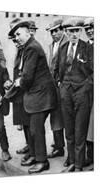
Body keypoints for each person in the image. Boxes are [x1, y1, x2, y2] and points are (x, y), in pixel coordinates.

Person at [8, 20, 57, 174]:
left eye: (19, 34)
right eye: (15, 35)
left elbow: (27, 77)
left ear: (28, 33)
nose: (17, 37)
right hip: (37, 94)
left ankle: (42, 161)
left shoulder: (32, 48)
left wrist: (18, 82)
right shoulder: (28, 47)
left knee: (36, 129)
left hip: (41, 95)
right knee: (33, 128)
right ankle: (35, 156)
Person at [54, 18, 93, 172]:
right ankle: (71, 159)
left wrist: (85, 88)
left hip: (82, 94)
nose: (74, 34)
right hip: (66, 94)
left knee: (80, 130)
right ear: (66, 32)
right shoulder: (63, 48)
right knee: (69, 129)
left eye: (77, 30)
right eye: (71, 31)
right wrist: (61, 85)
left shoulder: (88, 48)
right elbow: (57, 69)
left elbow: (95, 72)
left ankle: (78, 164)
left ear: (80, 31)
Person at [9, 18, 31, 159]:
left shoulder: (25, 47)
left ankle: (31, 149)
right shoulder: (17, 46)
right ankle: (29, 145)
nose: (14, 37)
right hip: (18, 90)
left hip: (24, 89)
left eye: (16, 32)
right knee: (22, 121)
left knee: (28, 122)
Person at [45, 18, 67, 158]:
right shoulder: (52, 45)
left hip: (64, 87)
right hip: (53, 87)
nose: (53, 34)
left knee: (64, 118)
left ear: (62, 30)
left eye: (56, 31)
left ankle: (62, 148)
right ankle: (58, 145)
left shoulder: (66, 43)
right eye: (51, 31)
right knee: (55, 117)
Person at [83, 17, 94, 168]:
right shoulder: (84, 47)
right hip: (87, 91)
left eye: (92, 27)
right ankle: (90, 156)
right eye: (87, 29)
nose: (90, 31)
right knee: (87, 125)